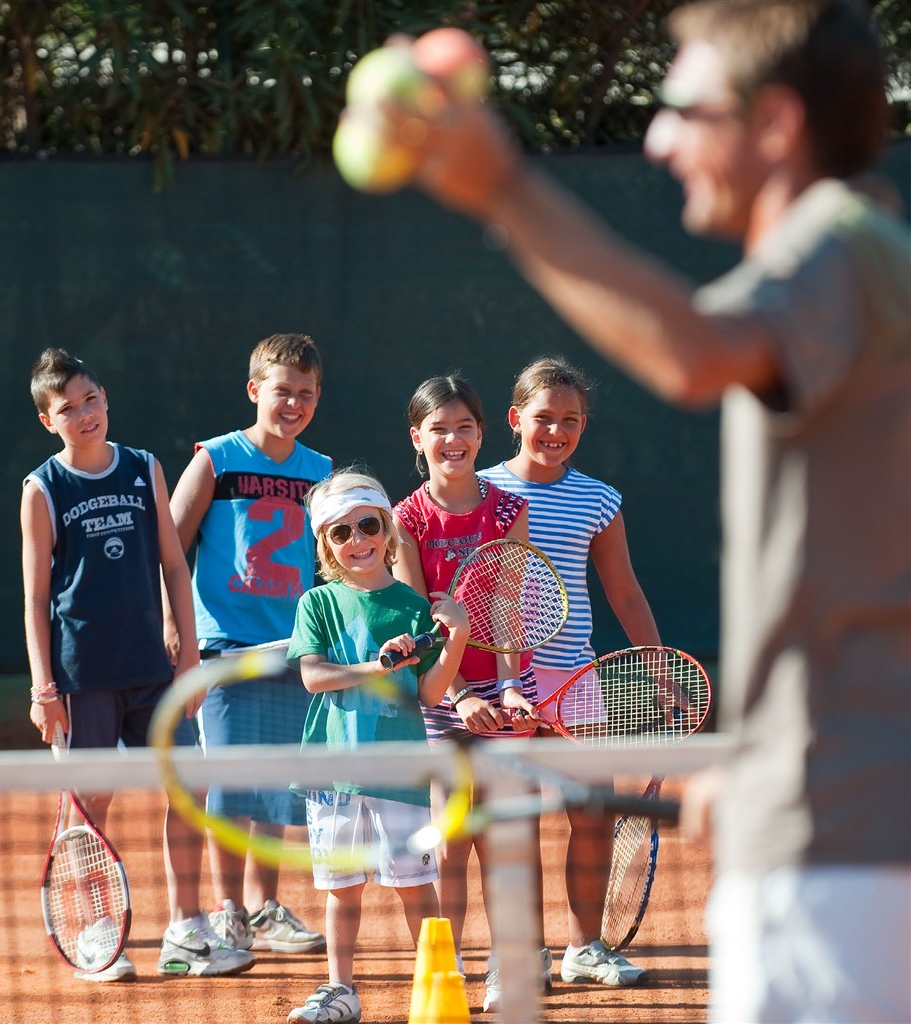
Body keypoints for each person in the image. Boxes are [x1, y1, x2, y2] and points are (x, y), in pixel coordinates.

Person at [381, 2, 911, 1020]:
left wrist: (502, 189)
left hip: (839, 843)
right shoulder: (860, 260)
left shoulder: (833, 248)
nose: (659, 139)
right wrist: (763, 754)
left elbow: (690, 354)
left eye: (682, 106)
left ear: (775, 125)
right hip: (831, 811)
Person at [21, 347, 254, 982]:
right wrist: (45, 689)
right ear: (49, 421)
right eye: (67, 408)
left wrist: (190, 660)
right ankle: (99, 929)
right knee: (92, 800)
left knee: (189, 785)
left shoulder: (143, 467)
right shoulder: (42, 488)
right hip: (80, 675)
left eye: (91, 399)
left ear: (105, 398)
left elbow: (173, 566)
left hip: (155, 668)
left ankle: (186, 929)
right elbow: (36, 597)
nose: (85, 414)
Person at [480, 355, 659, 987]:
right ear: (513, 419)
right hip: (499, 687)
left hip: (575, 683)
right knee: (515, 821)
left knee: (590, 813)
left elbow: (624, 591)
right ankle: (524, 954)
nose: (555, 431)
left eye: (571, 420)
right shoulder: (480, 492)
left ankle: (586, 949)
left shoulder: (599, 499)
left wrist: (656, 664)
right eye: (543, 418)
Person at [284, 469, 470, 1024]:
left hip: (400, 773)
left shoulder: (415, 608)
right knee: (342, 891)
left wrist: (455, 637)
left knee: (415, 888)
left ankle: (436, 987)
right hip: (332, 772)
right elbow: (314, 677)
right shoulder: (316, 603)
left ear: (388, 531)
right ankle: (340, 992)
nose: (357, 540)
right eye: (340, 533)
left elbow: (432, 692)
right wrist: (377, 664)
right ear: (325, 545)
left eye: (367, 525)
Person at [164, 333, 329, 957]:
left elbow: (334, 560)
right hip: (225, 648)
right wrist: (175, 627)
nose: (293, 403)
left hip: (295, 650)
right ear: (255, 390)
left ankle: (264, 910)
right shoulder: (217, 459)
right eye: (282, 391)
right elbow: (171, 548)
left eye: (306, 394)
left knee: (277, 786)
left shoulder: (319, 471)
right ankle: (227, 910)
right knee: (229, 785)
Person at [391, 374, 547, 1013]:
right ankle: (448, 968)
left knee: (510, 834)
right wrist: (458, 695)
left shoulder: (509, 509)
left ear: (483, 433)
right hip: (440, 690)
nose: (452, 439)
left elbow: (510, 604)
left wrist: (509, 686)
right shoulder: (405, 519)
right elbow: (416, 619)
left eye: (464, 427)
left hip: (508, 687)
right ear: (417, 438)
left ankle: (509, 968)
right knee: (449, 835)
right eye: (439, 428)